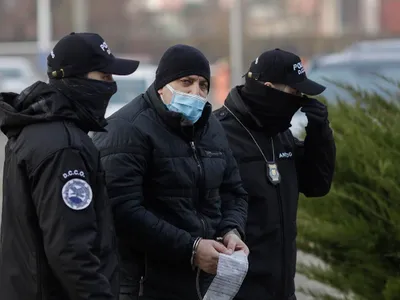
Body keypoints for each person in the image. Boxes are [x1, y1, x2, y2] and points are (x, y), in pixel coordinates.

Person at [92, 44, 249, 300]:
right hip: (144, 284)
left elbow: (233, 191)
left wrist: (232, 230)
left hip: (202, 281)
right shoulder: (126, 129)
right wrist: (192, 248)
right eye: (186, 81)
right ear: (162, 85)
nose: (195, 92)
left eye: (203, 85)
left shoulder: (211, 128)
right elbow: (121, 210)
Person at [0, 32, 140, 300]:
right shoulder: (65, 147)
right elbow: (71, 250)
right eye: (105, 77)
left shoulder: (36, 129)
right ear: (76, 80)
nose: (112, 86)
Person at [214, 48, 336, 300]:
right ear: (268, 88)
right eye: (295, 93)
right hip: (235, 288)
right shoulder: (216, 135)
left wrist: (319, 135)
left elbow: (317, 185)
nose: (300, 101)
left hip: (281, 287)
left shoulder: (281, 135)